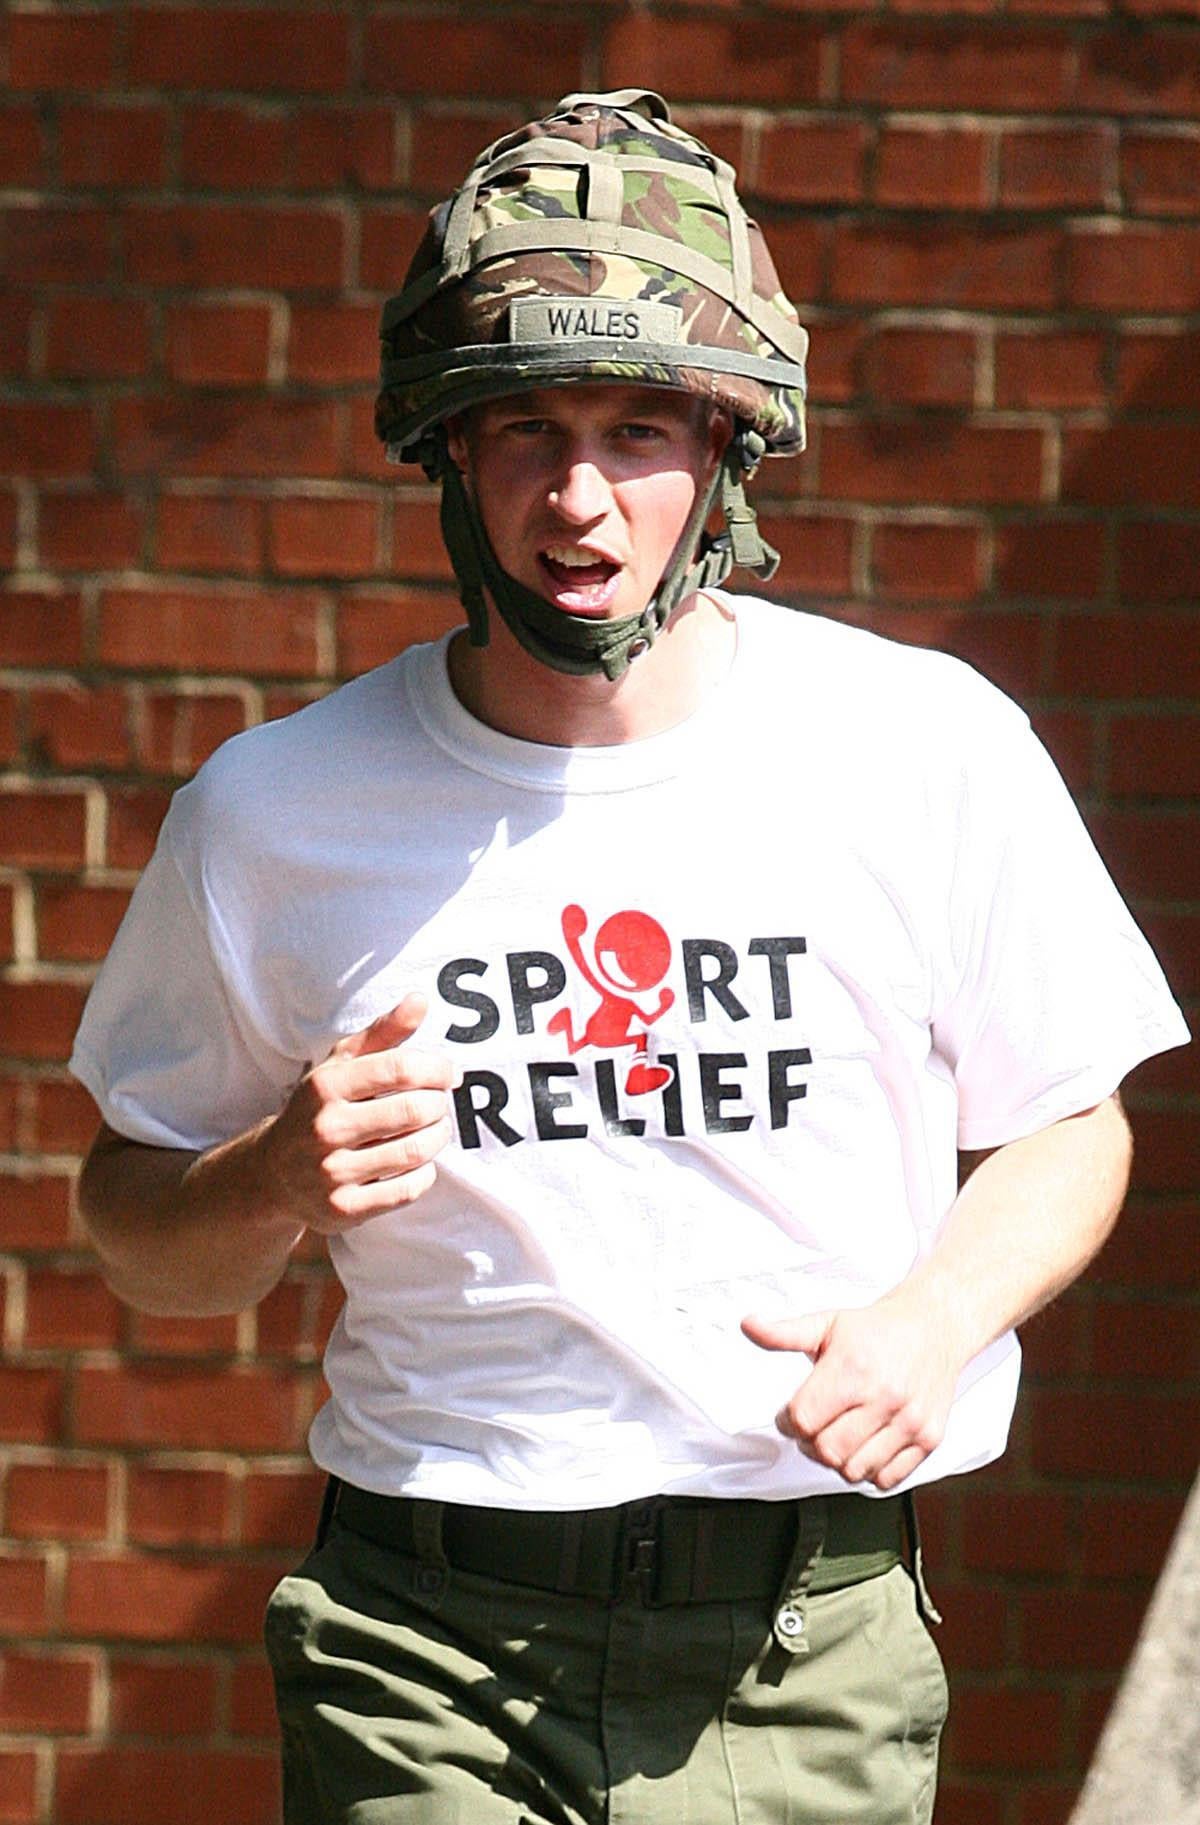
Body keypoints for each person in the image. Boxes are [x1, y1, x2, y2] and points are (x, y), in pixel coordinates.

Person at [72, 92, 1188, 1825]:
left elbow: (1074, 1121)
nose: (579, 496)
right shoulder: (275, 810)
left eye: (639, 427)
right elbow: (144, 1244)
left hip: (799, 1637)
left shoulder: (922, 743)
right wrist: (274, 1172)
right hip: (422, 1636)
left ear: (731, 448)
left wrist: (935, 1316)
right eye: (520, 427)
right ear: (444, 450)